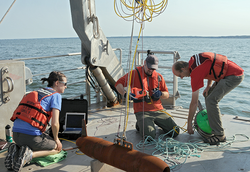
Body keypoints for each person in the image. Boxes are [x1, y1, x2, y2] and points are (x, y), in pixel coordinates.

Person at [172, 52, 244, 145]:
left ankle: (219, 134)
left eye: (179, 75)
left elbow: (194, 102)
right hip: (227, 73)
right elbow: (210, 66)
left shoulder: (195, 72)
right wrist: (208, 86)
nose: (181, 78)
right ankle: (212, 125)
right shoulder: (194, 61)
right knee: (208, 94)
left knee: (211, 100)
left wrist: (189, 124)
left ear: (183, 69)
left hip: (233, 76)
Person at [4, 71, 67, 172]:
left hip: (15, 136)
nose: (66, 87)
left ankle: (17, 150)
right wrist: (57, 139)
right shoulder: (56, 96)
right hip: (30, 138)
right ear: (56, 83)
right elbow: (55, 124)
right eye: (65, 84)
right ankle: (30, 155)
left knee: (44, 136)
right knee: (56, 148)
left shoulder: (36, 92)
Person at [115, 51, 179, 139]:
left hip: (158, 110)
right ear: (144, 63)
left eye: (153, 68)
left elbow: (167, 94)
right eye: (149, 68)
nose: (151, 70)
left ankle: (150, 124)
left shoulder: (159, 77)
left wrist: (160, 94)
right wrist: (125, 94)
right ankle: (140, 124)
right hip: (142, 111)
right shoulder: (134, 74)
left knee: (175, 131)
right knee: (149, 136)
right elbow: (118, 84)